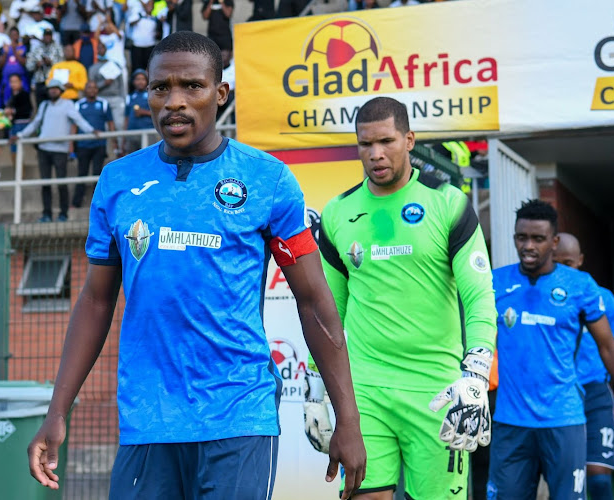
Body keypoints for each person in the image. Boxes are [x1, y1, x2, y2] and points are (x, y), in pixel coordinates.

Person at [26, 31, 367, 500]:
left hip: (238, 415)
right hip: (148, 422)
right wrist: (57, 410)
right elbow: (96, 300)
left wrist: (347, 419)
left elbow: (312, 303)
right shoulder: (118, 182)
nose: (174, 102)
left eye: (192, 86)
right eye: (160, 88)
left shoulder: (267, 180)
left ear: (220, 94)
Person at [310, 96, 496, 499]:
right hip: (365, 392)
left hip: (436, 392)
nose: (375, 154)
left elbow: (479, 296)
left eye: (386, 141)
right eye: (365, 144)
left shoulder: (448, 203)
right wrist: (315, 388)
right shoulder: (339, 213)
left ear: (409, 140)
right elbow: (327, 313)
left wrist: (476, 374)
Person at [488, 200, 614, 500]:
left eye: (538, 238)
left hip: (563, 421)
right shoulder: (497, 283)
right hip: (511, 422)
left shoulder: (579, 285)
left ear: (554, 241)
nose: (528, 246)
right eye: (521, 238)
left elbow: (609, 348)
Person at [553, 233, 614, 500]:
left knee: (598, 474)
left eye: (569, 263)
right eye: (557, 263)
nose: (563, 270)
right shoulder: (545, 295)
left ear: (581, 261)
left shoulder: (603, 298)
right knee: (569, 474)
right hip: (562, 392)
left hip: (596, 391)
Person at [10, 79, 95, 222]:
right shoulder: (44, 106)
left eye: (56, 88)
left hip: (60, 150)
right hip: (43, 148)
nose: (53, 91)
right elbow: (35, 123)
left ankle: (63, 214)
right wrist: (19, 135)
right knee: (46, 183)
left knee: (62, 182)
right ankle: (47, 214)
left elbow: (79, 120)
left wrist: (92, 131)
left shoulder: (68, 104)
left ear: (61, 90)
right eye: (51, 88)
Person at [71, 80, 115, 208]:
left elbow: (110, 123)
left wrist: (114, 142)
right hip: (82, 145)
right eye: (89, 87)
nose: (92, 89)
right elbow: (74, 125)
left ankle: (98, 204)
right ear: (85, 90)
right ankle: (76, 203)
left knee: (98, 173)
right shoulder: (78, 105)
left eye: (94, 87)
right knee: (81, 174)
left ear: (97, 90)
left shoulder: (103, 104)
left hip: (99, 145)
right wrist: (71, 146)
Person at [87, 41, 124, 135]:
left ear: (107, 50)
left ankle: (120, 148)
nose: (101, 50)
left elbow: (121, 84)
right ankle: (110, 149)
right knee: (107, 127)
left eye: (103, 48)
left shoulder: (115, 65)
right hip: (102, 98)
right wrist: (104, 83)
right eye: (99, 48)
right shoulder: (93, 68)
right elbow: (91, 86)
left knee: (119, 124)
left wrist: (123, 98)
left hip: (116, 98)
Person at [25, 27, 64, 104]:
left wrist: (50, 63)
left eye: (49, 35)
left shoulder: (58, 48)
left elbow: (63, 64)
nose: (47, 37)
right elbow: (28, 66)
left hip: (53, 82)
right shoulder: (36, 49)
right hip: (40, 81)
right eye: (46, 35)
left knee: (53, 105)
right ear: (43, 36)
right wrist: (36, 65)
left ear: (52, 36)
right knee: (41, 106)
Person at [3, 73, 32, 166]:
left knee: (17, 153)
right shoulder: (12, 96)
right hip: (14, 125)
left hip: (21, 125)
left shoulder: (24, 94)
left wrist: (13, 111)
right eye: (11, 82)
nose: (13, 84)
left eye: (15, 81)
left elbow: (28, 110)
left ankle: (20, 177)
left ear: (21, 82)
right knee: (14, 154)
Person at [122, 68, 152, 155]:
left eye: (143, 79)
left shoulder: (151, 95)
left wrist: (144, 112)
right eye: (138, 79)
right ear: (133, 82)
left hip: (148, 132)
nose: (140, 82)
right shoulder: (130, 97)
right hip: (132, 134)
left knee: (148, 158)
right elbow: (126, 118)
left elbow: (158, 114)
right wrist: (124, 138)